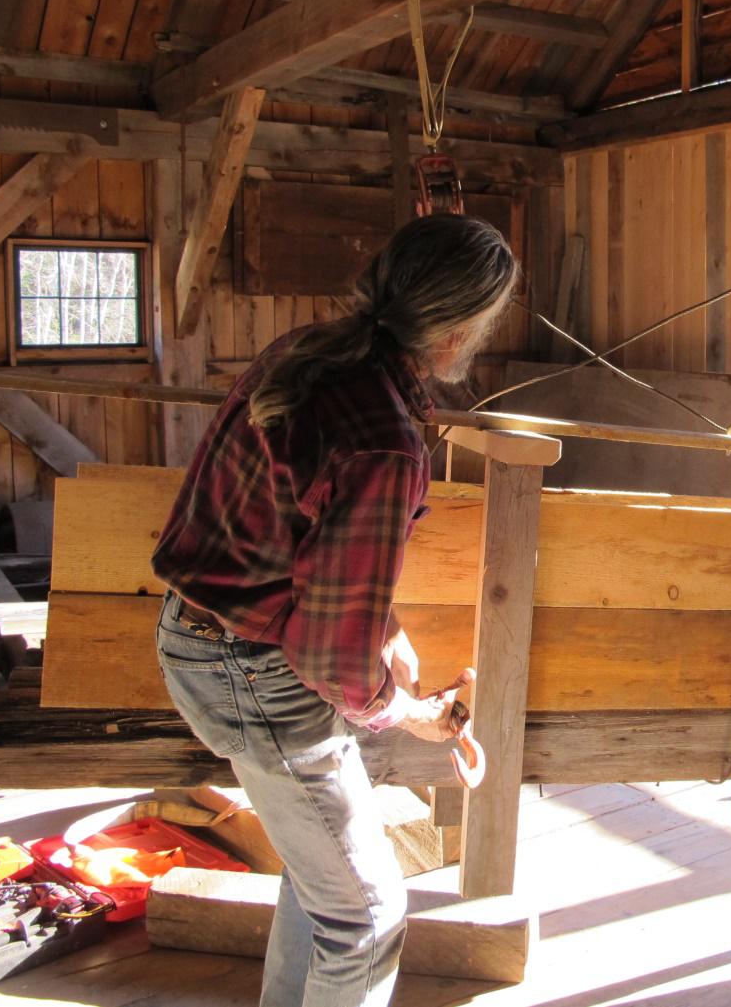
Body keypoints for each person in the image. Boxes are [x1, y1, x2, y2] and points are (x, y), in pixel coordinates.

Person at [150, 213, 519, 1007]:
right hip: (250, 671)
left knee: (326, 885)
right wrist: (401, 708)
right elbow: (327, 662)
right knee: (370, 912)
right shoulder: (387, 440)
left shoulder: (308, 352)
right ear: (456, 336)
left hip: (196, 636)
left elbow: (288, 540)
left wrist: (381, 625)